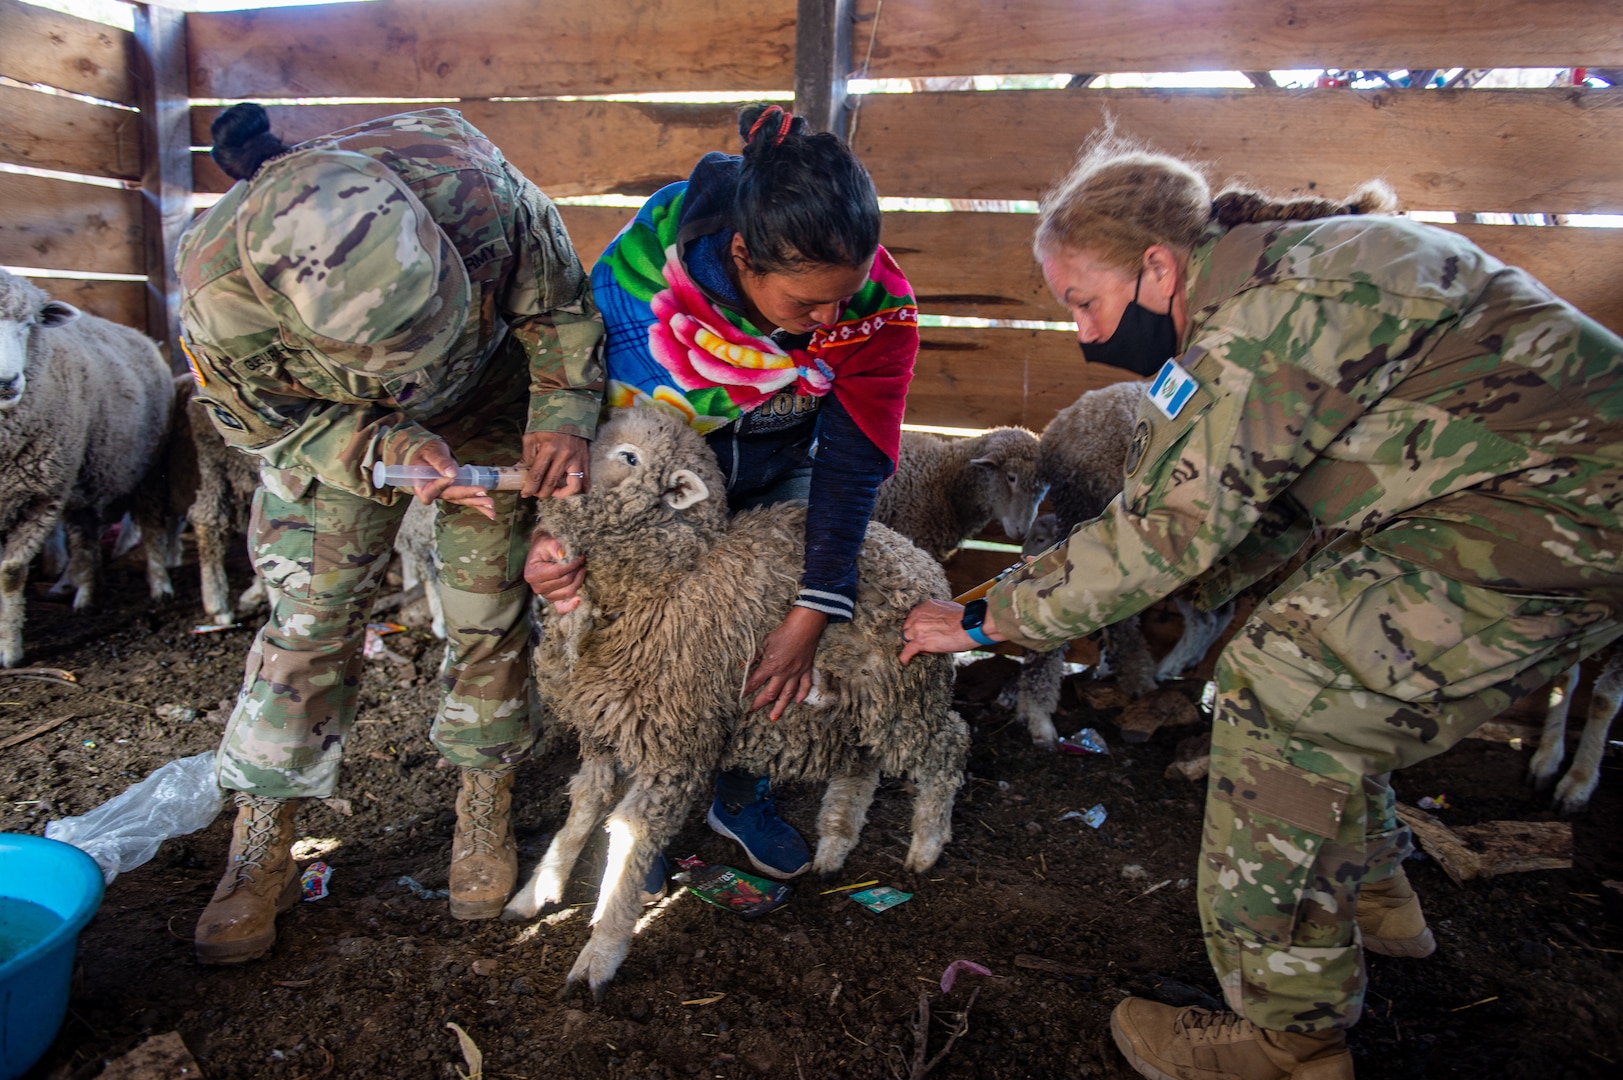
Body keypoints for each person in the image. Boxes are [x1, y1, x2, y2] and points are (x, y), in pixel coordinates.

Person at [900, 129, 1623, 1080]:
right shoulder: (1287, 282)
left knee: (1279, 689)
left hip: (1564, 513)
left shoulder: (1272, 314)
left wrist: (986, 618)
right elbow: (1274, 505)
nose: (1079, 332)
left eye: (1084, 301)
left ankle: (1287, 1039)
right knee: (1326, 671)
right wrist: (1174, 592)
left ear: (1157, 267)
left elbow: (1168, 528)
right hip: (1541, 502)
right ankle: (1375, 898)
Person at [176, 104, 604, 963]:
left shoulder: (473, 182)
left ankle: (482, 799)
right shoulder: (216, 296)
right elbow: (264, 427)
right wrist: (382, 443)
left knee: (486, 600)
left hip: (488, 394)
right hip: (341, 420)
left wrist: (560, 414)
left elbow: (557, 306)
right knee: (308, 612)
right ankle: (263, 839)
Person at [526, 103, 918, 884]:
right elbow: (594, 451)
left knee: (782, 625)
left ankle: (742, 789)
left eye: (845, 294)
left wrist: (815, 603)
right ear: (741, 254)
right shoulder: (639, 287)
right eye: (805, 305)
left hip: (787, 461)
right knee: (653, 637)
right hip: (669, 488)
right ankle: (653, 798)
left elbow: (851, 463)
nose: (829, 320)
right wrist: (555, 547)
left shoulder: (875, 307)